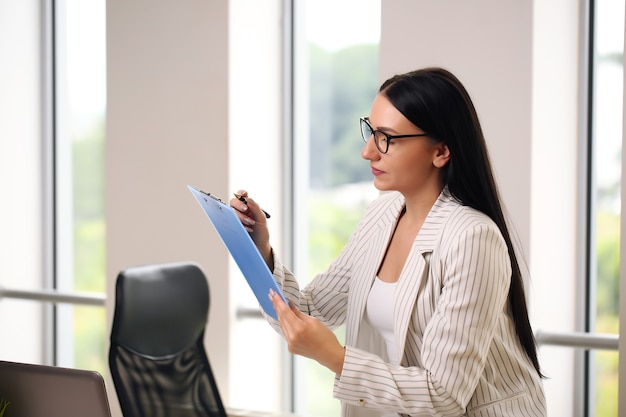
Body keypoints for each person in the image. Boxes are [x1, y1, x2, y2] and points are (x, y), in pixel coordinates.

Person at [231, 67, 547, 417]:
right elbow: (309, 313)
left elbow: (442, 396)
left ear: (440, 152)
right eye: (371, 131)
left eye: (387, 138)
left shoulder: (472, 237)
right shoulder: (383, 214)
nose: (368, 152)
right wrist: (258, 251)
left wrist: (335, 356)